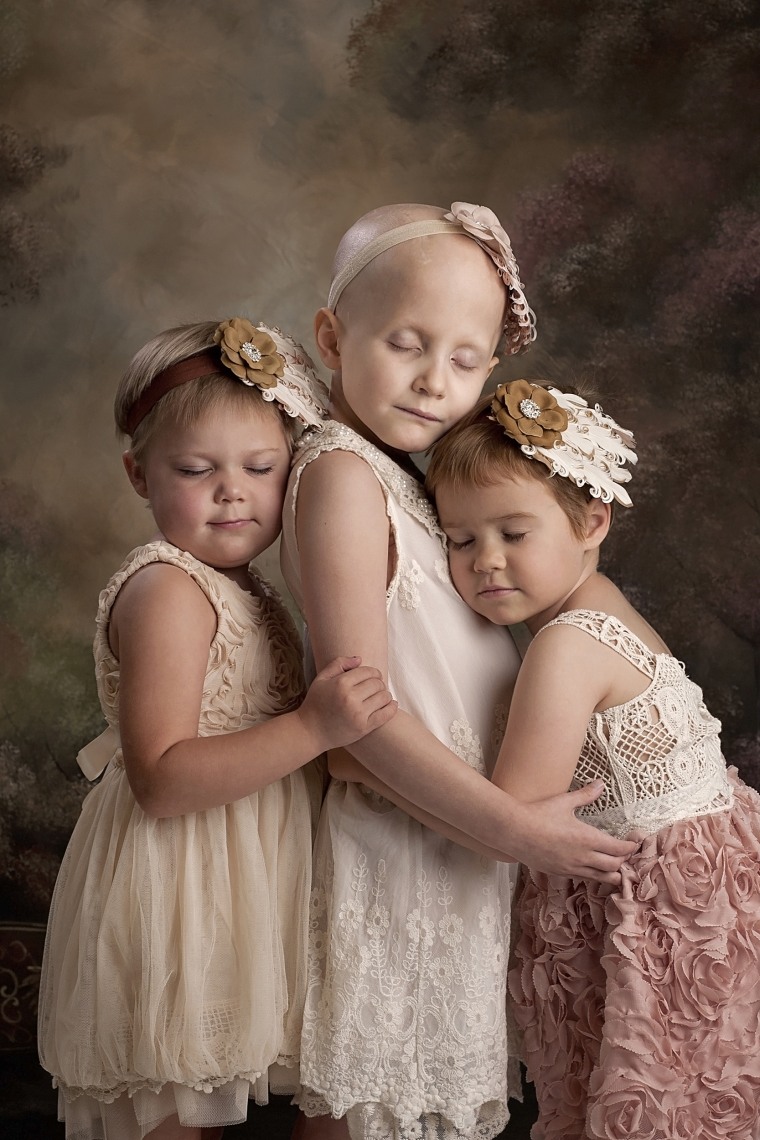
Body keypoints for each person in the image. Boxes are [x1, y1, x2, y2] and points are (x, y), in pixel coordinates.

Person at [279, 202, 637, 1140]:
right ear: (332, 337)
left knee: (424, 1106)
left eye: (467, 360)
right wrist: (519, 829)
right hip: (396, 853)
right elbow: (356, 721)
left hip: (451, 850)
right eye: (406, 344)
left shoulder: (413, 477)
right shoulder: (343, 476)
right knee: (369, 1102)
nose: (436, 382)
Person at [37, 317, 397, 1140]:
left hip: (240, 878)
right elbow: (162, 779)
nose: (232, 491)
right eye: (197, 470)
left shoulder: (250, 587)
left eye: (261, 468)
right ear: (138, 474)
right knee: (165, 1099)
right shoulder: (168, 589)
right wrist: (313, 727)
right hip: (172, 883)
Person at [425, 378, 760, 1140]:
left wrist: (370, 763)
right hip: (707, 881)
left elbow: (506, 817)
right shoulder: (599, 600)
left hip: (666, 912)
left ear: (591, 520)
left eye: (514, 532)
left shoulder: (567, 644)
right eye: (460, 539)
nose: (486, 562)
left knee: (662, 1098)